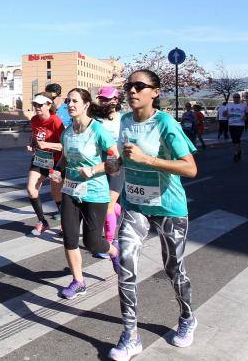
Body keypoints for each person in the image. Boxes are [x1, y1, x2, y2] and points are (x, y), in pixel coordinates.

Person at [109, 69, 198, 360]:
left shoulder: (165, 123)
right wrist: (114, 164)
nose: (132, 91)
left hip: (168, 207)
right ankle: (130, 335)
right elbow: (123, 160)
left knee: (173, 269)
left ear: (155, 92)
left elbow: (190, 168)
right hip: (135, 205)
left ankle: (186, 317)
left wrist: (148, 159)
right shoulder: (124, 121)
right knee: (125, 265)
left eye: (139, 86)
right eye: (128, 86)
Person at [52, 88, 121, 300]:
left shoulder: (97, 130)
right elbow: (65, 158)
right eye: (67, 101)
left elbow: (115, 161)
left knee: (93, 243)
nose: (70, 105)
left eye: (74, 101)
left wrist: (93, 170)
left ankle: (114, 252)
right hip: (71, 191)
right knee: (70, 239)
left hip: (95, 193)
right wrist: (58, 171)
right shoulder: (67, 132)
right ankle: (78, 281)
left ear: (86, 105)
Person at [26, 93, 64, 236]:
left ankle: (65, 223)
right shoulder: (34, 119)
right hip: (40, 159)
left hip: (56, 162)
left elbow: (64, 145)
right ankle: (42, 221)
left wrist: (46, 144)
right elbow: (34, 136)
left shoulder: (56, 121)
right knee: (31, 189)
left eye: (40, 105)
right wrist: (31, 144)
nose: (37, 108)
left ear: (49, 105)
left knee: (56, 194)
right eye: (35, 104)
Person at [94, 85, 123, 259]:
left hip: (118, 166)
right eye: (101, 99)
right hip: (100, 166)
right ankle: (127, 217)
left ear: (115, 100)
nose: (104, 102)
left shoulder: (124, 119)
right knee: (108, 205)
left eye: (107, 99)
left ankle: (110, 242)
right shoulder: (95, 119)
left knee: (107, 205)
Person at [226, 92, 248, 162]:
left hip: (240, 125)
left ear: (239, 98)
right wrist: (226, 114)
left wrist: (246, 117)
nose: (236, 98)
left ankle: (236, 154)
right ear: (233, 98)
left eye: (237, 97)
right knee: (234, 140)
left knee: (237, 138)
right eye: (235, 97)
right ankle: (239, 151)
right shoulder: (229, 105)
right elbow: (225, 113)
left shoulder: (244, 105)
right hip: (231, 124)